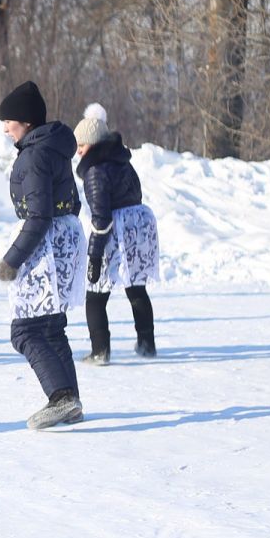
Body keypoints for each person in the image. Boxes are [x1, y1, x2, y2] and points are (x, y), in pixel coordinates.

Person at [0, 81, 84, 429]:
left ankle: (61, 398)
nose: (4, 129)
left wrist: (12, 260)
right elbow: (68, 205)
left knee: (27, 331)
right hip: (62, 239)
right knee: (50, 326)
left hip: (45, 244)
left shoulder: (34, 155)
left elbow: (39, 215)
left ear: (27, 122)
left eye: (8, 121)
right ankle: (69, 400)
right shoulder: (51, 147)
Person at [73, 103, 159, 363]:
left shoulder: (94, 171)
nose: (77, 152)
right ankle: (147, 344)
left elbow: (101, 217)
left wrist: (95, 256)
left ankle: (100, 350)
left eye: (81, 146)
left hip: (116, 230)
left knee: (95, 293)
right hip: (139, 226)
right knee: (136, 288)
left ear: (94, 144)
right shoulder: (122, 161)